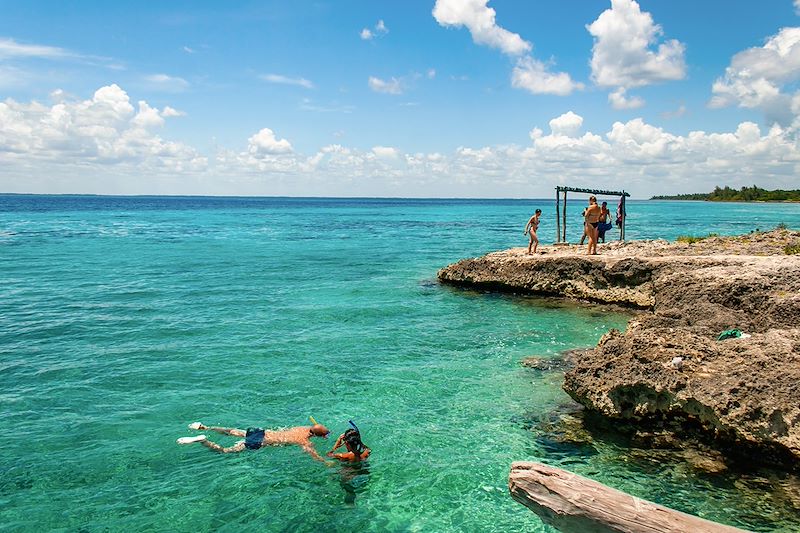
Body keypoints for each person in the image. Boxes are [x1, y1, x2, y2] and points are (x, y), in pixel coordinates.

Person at [177, 420, 332, 462]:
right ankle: (202, 441)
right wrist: (324, 461)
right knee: (225, 451)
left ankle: (205, 427)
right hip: (260, 442)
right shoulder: (303, 440)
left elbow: (316, 429)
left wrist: (320, 432)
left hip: (260, 432)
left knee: (231, 431)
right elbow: (310, 452)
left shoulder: (303, 428)